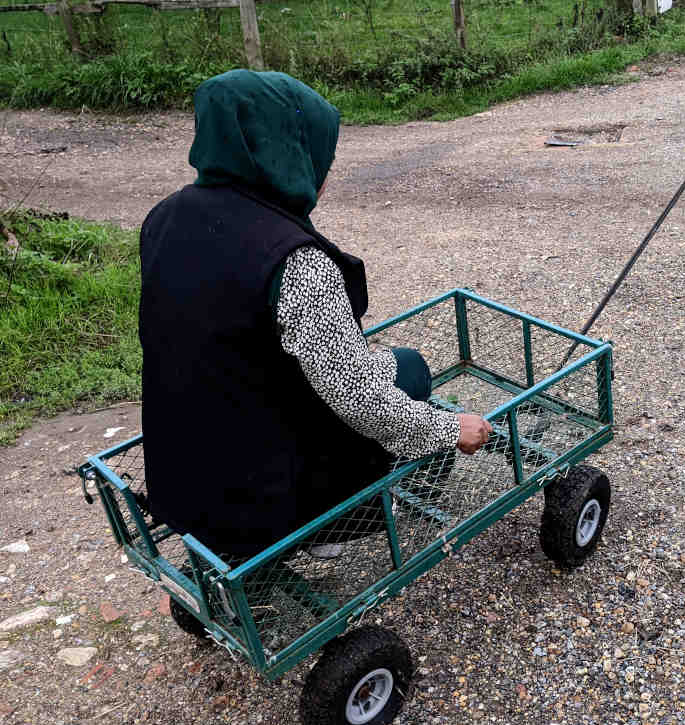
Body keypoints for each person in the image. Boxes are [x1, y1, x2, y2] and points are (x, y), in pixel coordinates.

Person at [138, 70, 492, 558]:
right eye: (319, 155)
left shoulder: (164, 217)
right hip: (265, 495)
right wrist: (448, 430)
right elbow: (359, 400)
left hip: (184, 473)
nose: (324, 172)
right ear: (282, 154)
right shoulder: (296, 262)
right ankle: (324, 528)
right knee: (411, 369)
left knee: (380, 371)